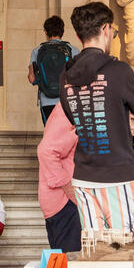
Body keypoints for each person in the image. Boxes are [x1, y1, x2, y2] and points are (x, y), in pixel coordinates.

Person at [58, 2, 134, 242]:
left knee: (96, 250)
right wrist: (131, 123)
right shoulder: (119, 70)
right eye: (112, 30)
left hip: (83, 175)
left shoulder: (66, 75)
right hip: (119, 174)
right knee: (132, 246)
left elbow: (75, 118)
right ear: (105, 28)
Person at [37, 103, 82, 252]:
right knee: (70, 267)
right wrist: (71, 192)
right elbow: (46, 151)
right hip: (65, 202)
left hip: (69, 202)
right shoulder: (69, 106)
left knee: (69, 266)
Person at [28, 15, 80, 125]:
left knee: (50, 134)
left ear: (46, 32)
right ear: (62, 31)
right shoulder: (73, 50)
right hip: (67, 101)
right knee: (67, 134)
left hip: (46, 101)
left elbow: (32, 78)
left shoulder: (37, 51)